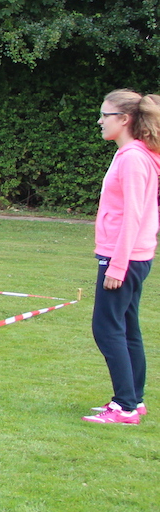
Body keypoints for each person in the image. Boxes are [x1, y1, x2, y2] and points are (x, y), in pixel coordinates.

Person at [83, 90, 160, 424]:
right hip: (131, 256)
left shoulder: (133, 158)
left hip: (124, 257)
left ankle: (125, 406)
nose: (100, 121)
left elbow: (135, 216)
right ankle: (133, 400)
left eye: (105, 114)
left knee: (106, 328)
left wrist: (117, 263)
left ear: (124, 119)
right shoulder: (133, 154)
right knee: (127, 327)